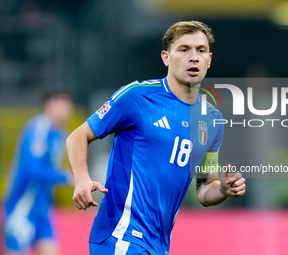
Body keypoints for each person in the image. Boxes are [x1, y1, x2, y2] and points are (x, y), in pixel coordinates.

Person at [66, 21, 246, 255]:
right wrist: (81, 179)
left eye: (200, 50)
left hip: (158, 245)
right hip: (121, 237)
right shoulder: (138, 97)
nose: (194, 57)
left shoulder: (212, 120)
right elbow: (78, 136)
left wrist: (222, 189)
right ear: (166, 57)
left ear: (209, 59)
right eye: (183, 49)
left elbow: (204, 188)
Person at [3, 89, 74, 255]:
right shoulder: (38, 127)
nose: (67, 110)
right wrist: (66, 177)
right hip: (23, 205)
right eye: (63, 105)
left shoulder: (59, 132)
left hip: (42, 207)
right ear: (49, 105)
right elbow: (32, 169)